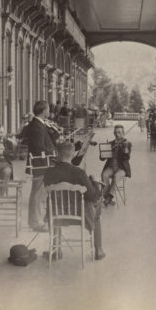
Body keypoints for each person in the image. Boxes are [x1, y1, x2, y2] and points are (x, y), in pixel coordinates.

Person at [44, 141, 106, 260]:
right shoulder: (79, 173)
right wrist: (95, 182)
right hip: (80, 215)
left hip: (57, 215)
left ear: (57, 154)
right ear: (72, 155)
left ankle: (56, 251)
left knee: (54, 204)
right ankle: (98, 250)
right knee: (97, 208)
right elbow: (93, 197)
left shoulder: (49, 172)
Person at [26, 100, 59, 232]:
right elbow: (38, 147)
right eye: (48, 110)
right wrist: (54, 153)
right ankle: (37, 222)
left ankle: (34, 220)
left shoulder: (40, 124)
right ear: (43, 111)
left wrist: (54, 130)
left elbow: (50, 139)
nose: (49, 112)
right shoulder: (36, 126)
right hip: (41, 163)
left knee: (38, 192)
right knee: (38, 194)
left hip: (43, 162)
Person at [100, 125, 132, 207]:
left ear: (123, 133)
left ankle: (109, 197)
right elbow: (102, 159)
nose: (117, 134)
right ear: (114, 133)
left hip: (121, 168)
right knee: (104, 175)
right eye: (116, 132)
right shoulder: (110, 144)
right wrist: (104, 153)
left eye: (119, 132)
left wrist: (126, 150)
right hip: (111, 167)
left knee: (116, 176)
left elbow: (127, 158)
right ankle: (106, 196)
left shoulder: (127, 144)